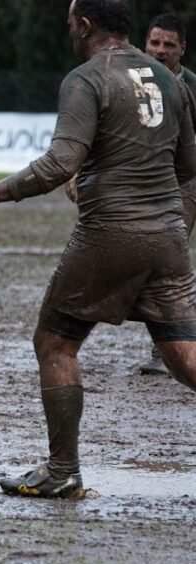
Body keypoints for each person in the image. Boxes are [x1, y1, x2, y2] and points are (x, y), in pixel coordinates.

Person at [0, 0, 196, 499]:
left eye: (69, 25)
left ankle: (64, 471)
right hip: (169, 234)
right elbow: (189, 165)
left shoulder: (85, 78)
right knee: (184, 356)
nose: (68, 32)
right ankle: (62, 470)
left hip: (110, 233)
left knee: (54, 342)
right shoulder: (172, 81)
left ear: (84, 25)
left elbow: (60, 162)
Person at [138, 12, 196, 375]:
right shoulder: (130, 80)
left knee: (169, 262)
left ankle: (167, 350)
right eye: (154, 43)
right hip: (145, 183)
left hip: (186, 182)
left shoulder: (190, 87)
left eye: (168, 45)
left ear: (182, 50)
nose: (159, 51)